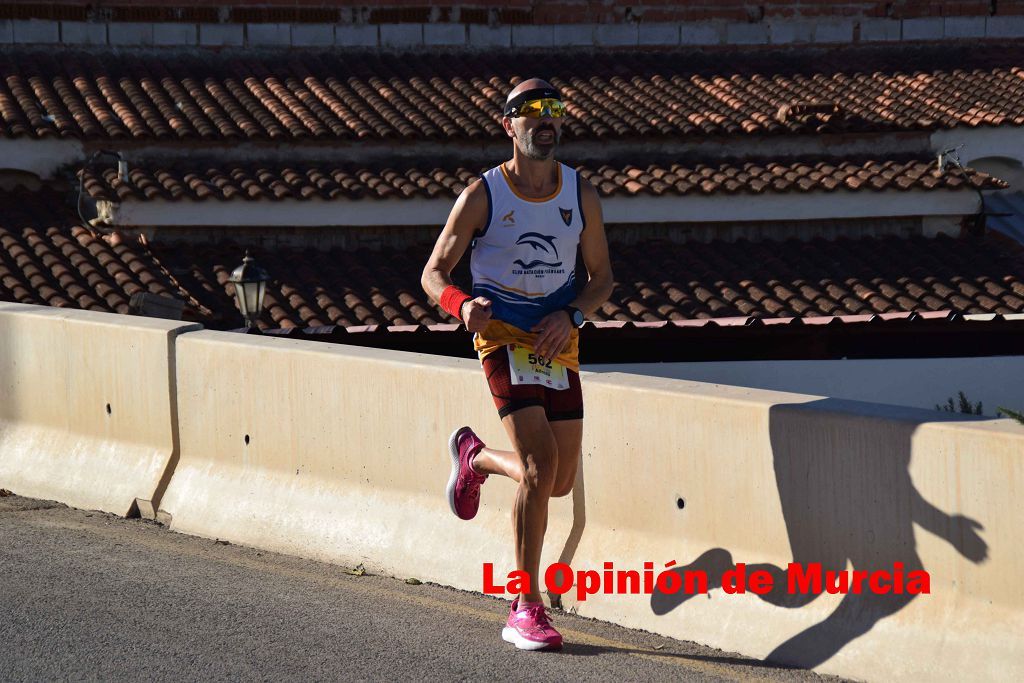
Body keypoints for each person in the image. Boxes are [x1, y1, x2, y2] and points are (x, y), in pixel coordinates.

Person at [421, 78, 613, 651]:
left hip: (559, 340)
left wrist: (574, 316)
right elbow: (433, 272)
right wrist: (462, 307)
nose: (545, 118)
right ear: (508, 125)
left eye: (554, 108)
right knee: (537, 466)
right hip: (502, 336)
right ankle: (525, 606)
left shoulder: (580, 194)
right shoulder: (483, 194)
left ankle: (475, 458)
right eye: (530, 110)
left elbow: (601, 279)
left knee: (557, 481)